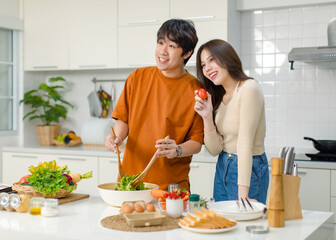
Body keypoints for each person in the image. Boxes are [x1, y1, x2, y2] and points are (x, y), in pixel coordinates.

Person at [105, 19, 204, 191]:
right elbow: (123, 120)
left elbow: (197, 141)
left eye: (172, 46)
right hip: (130, 183)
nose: (162, 51)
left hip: (171, 188)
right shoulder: (137, 77)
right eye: (160, 43)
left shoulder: (196, 91)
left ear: (187, 53)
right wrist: (117, 138)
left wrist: (178, 150)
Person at [194, 39, 269, 204]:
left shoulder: (249, 88)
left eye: (212, 59)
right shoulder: (219, 97)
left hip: (248, 168)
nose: (207, 68)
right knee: (224, 222)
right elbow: (214, 150)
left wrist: (243, 193)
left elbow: (245, 142)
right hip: (223, 164)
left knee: (244, 223)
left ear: (227, 57)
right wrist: (207, 117)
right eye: (203, 64)